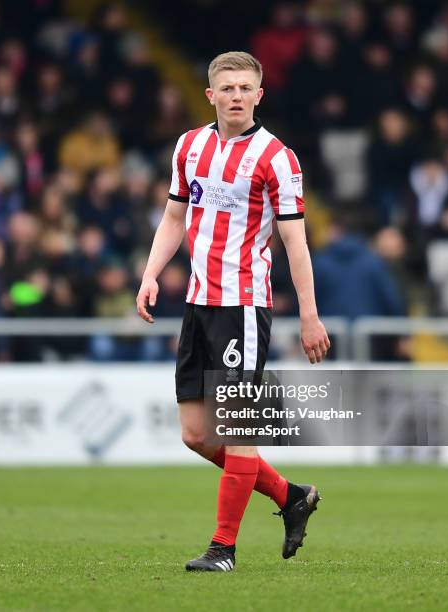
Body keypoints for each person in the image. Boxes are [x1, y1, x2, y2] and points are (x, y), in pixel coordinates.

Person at [137, 51, 330, 572]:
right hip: (198, 303)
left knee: (237, 429)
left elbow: (295, 242)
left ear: (259, 95)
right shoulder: (189, 145)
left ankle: (223, 549)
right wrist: (152, 272)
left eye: (246, 88)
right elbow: (175, 216)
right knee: (197, 434)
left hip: (243, 304)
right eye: (228, 88)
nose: (237, 96)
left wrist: (310, 315)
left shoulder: (277, 158)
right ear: (211, 95)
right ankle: (290, 495)